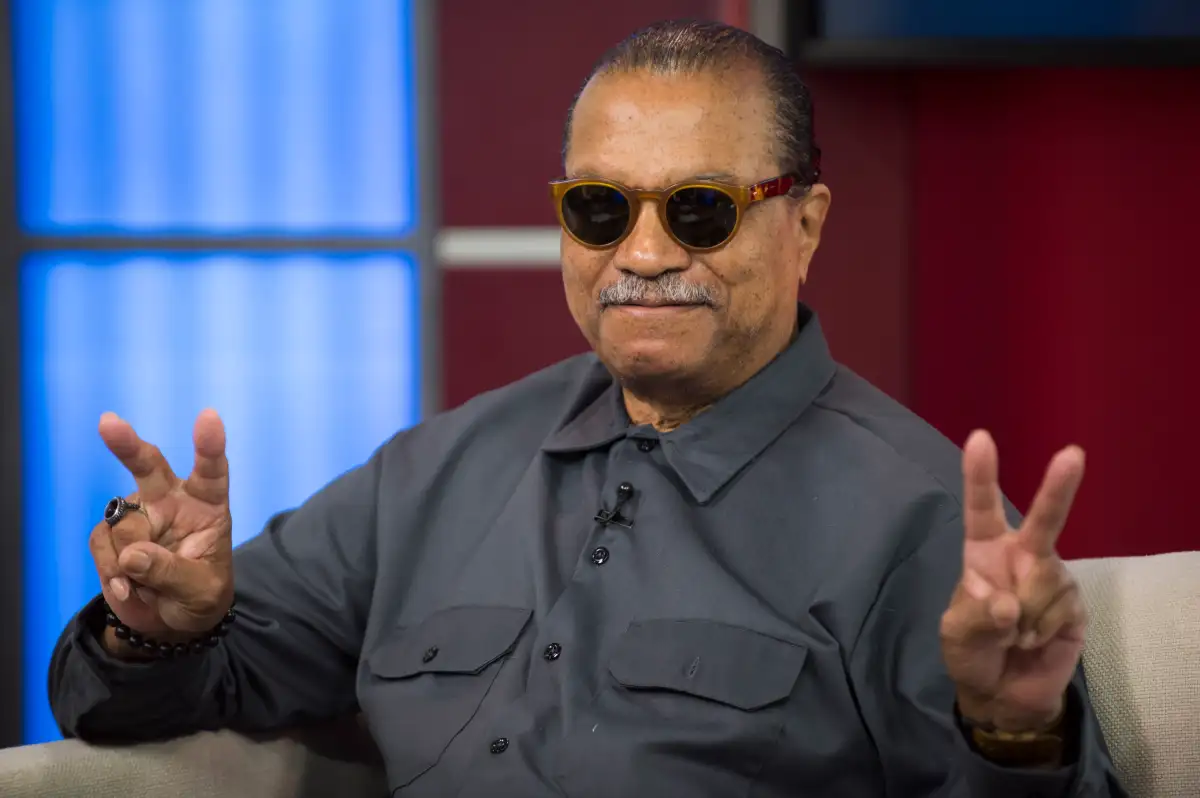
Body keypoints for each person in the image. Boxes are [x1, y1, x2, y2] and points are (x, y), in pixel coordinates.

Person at [50, 20, 1127, 798]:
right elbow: (140, 706)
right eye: (601, 208)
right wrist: (152, 632)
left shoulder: (917, 516)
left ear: (803, 227)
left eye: (701, 211)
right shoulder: (434, 472)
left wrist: (1015, 733)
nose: (643, 255)